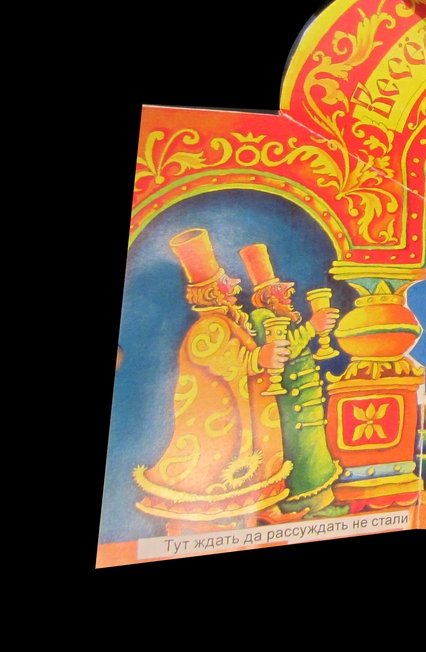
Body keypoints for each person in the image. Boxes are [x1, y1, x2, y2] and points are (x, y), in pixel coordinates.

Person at [133, 229, 293, 534]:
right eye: (226, 280)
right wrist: (257, 358)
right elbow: (221, 359)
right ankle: (191, 522)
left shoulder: (226, 321)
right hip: (218, 415)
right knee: (214, 464)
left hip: (243, 408)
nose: (235, 282)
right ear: (213, 291)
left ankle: (261, 510)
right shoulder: (210, 325)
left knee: (255, 456)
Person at [239, 243, 347, 518]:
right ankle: (304, 506)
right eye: (282, 292)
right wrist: (312, 327)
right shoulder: (262, 317)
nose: (289, 296)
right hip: (290, 401)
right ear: (268, 296)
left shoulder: (279, 316)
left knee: (314, 450)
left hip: (303, 398)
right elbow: (283, 350)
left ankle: (321, 502)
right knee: (301, 453)